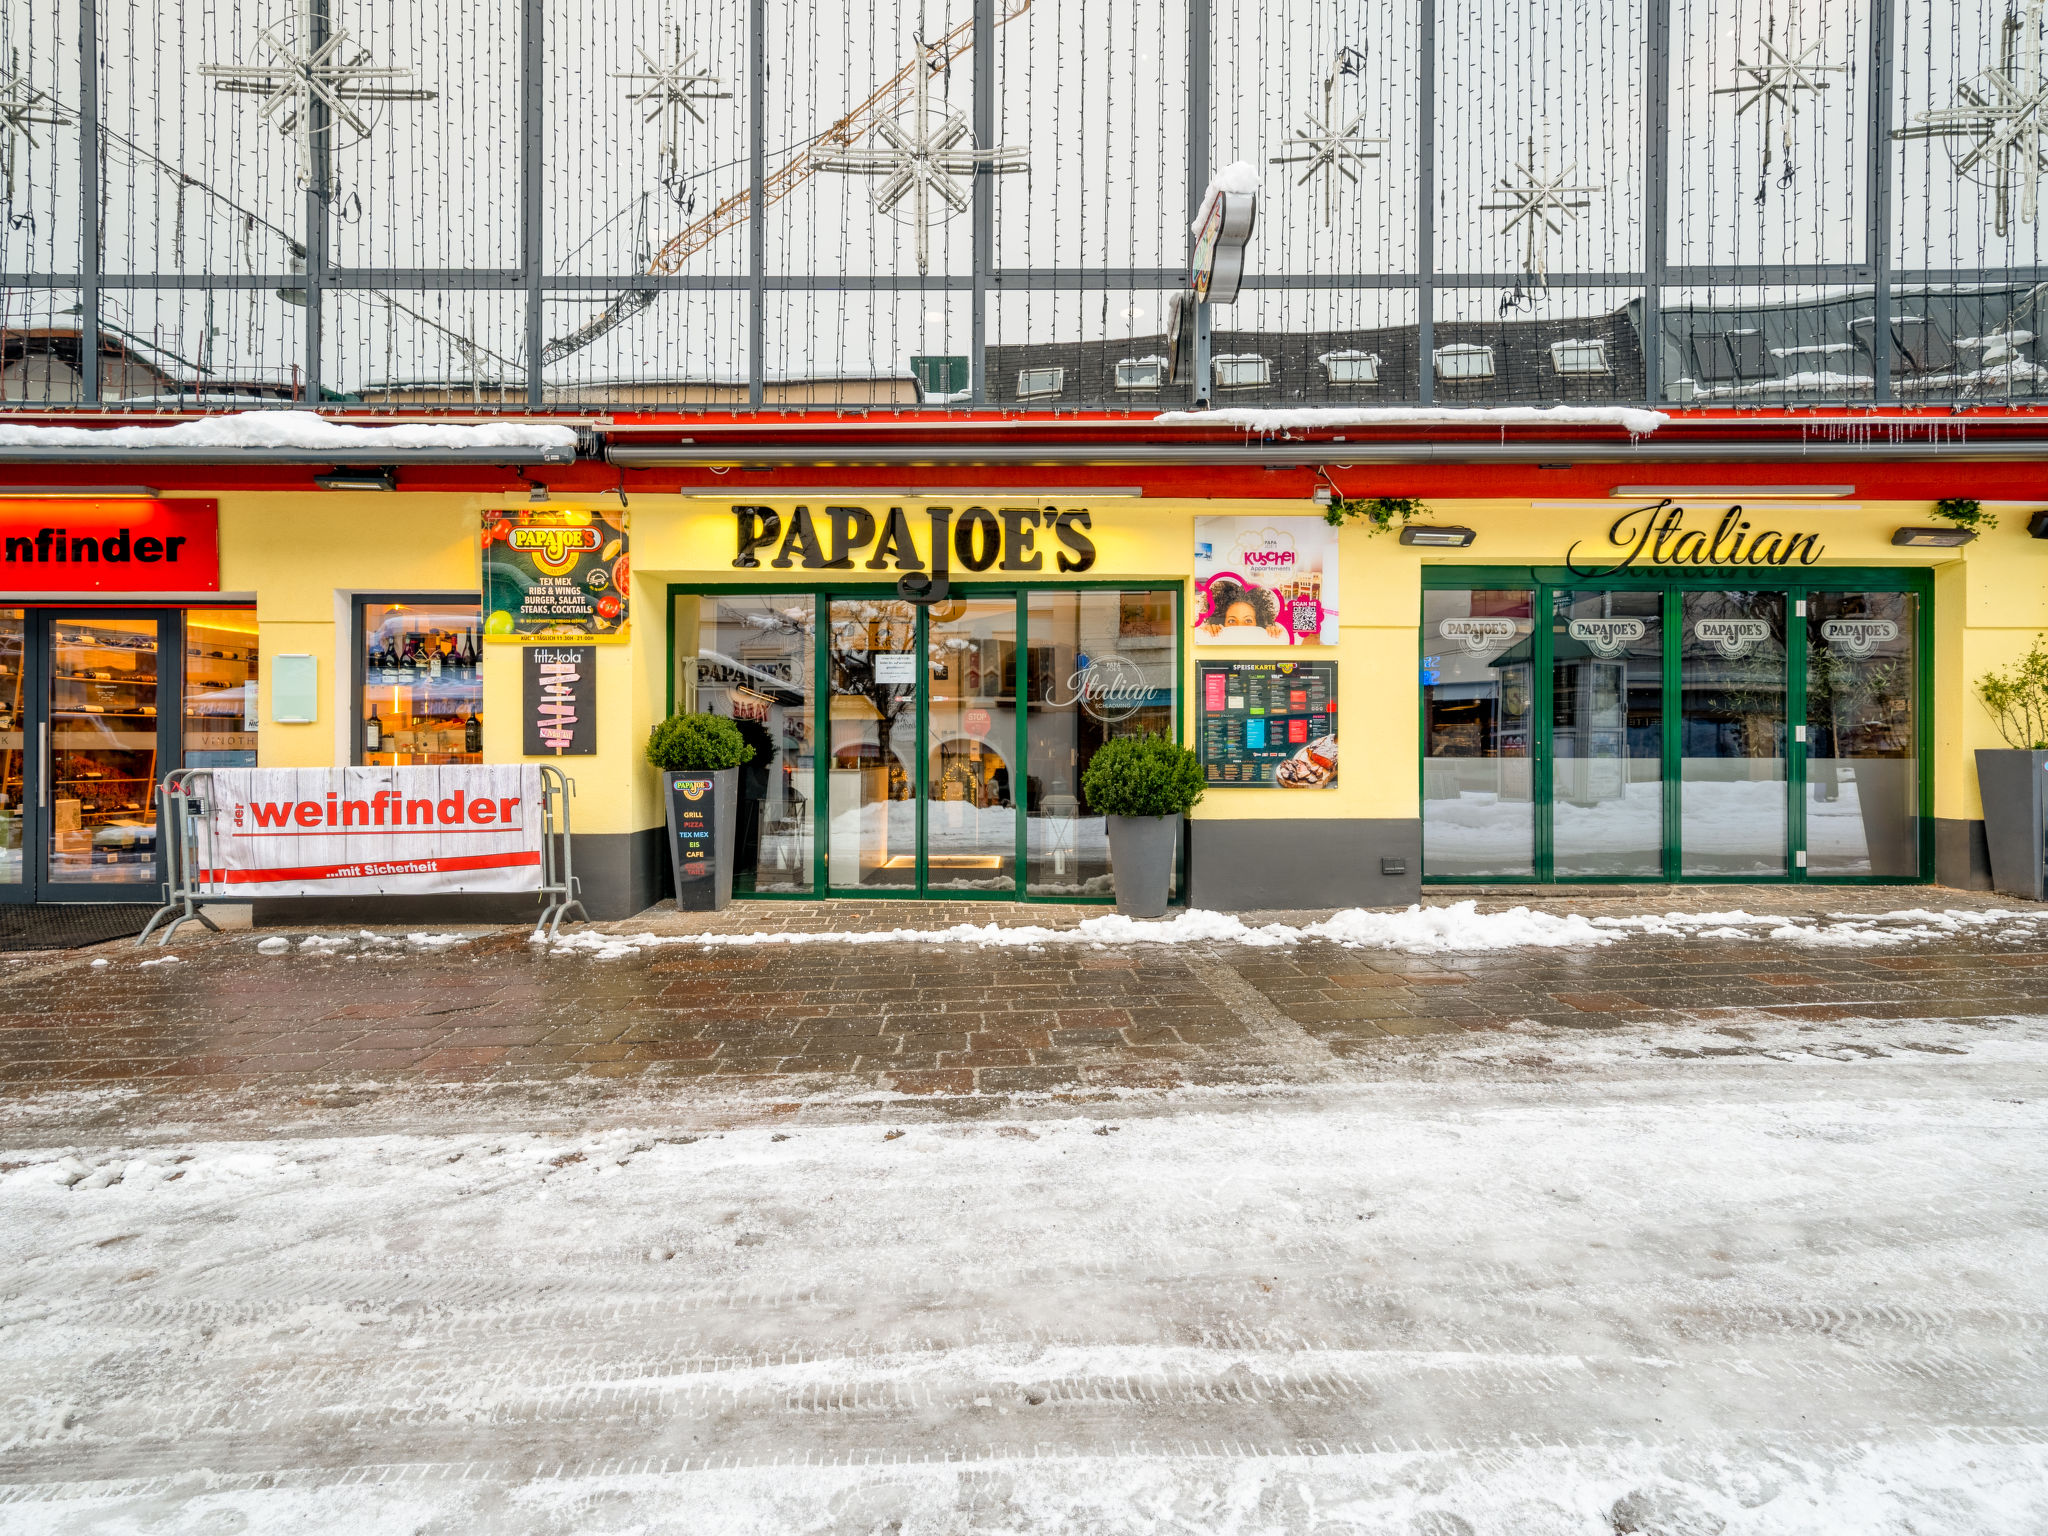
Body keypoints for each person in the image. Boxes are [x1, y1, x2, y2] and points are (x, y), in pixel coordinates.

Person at [1198, 577, 1288, 641]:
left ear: (1258, 623)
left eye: (1248, 620)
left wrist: (1273, 633)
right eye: (1232, 621)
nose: (1240, 626)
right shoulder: (1218, 638)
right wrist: (1210, 632)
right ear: (1222, 623)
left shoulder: (1263, 638)